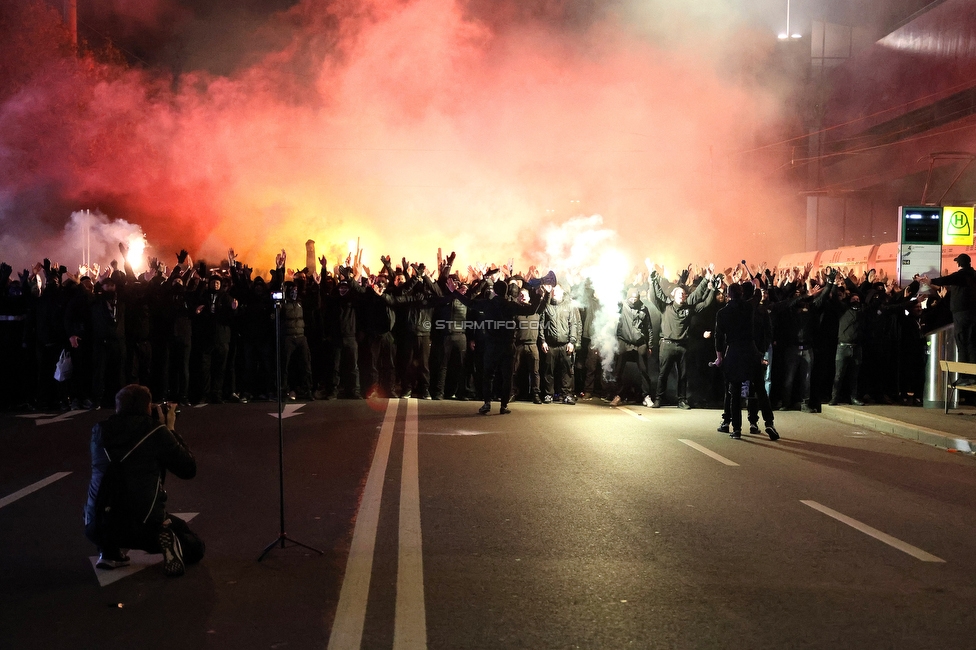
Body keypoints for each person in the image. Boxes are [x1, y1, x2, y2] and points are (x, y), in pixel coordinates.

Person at [84, 384, 203, 577]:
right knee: (195, 548)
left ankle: (108, 552)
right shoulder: (155, 431)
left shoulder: (98, 431)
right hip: (143, 525)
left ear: (117, 407)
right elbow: (188, 469)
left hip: (97, 524)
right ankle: (165, 535)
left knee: (106, 499)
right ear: (148, 407)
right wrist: (170, 428)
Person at [713, 282, 778, 440]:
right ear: (741, 293)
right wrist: (756, 282)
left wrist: (719, 357)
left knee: (734, 392)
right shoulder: (749, 307)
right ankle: (769, 422)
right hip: (750, 350)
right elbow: (757, 295)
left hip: (734, 352)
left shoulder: (722, 313)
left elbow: (718, 337)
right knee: (760, 389)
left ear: (728, 295)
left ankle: (736, 429)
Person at [648, 269, 716, 409]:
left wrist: (709, 285)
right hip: (667, 344)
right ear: (673, 295)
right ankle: (658, 399)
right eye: (679, 293)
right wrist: (653, 280)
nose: (682, 295)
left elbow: (705, 303)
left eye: (684, 294)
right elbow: (656, 296)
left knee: (683, 375)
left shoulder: (689, 308)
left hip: (683, 346)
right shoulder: (665, 307)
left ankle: (682, 400)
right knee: (663, 374)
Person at [926, 254, 976, 385]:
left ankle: (964, 376)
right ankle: (972, 376)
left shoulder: (962, 275)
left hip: (961, 315)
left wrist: (931, 281)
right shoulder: (973, 275)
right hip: (972, 315)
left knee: (962, 343)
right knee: (971, 344)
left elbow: (947, 279)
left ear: (959, 264)